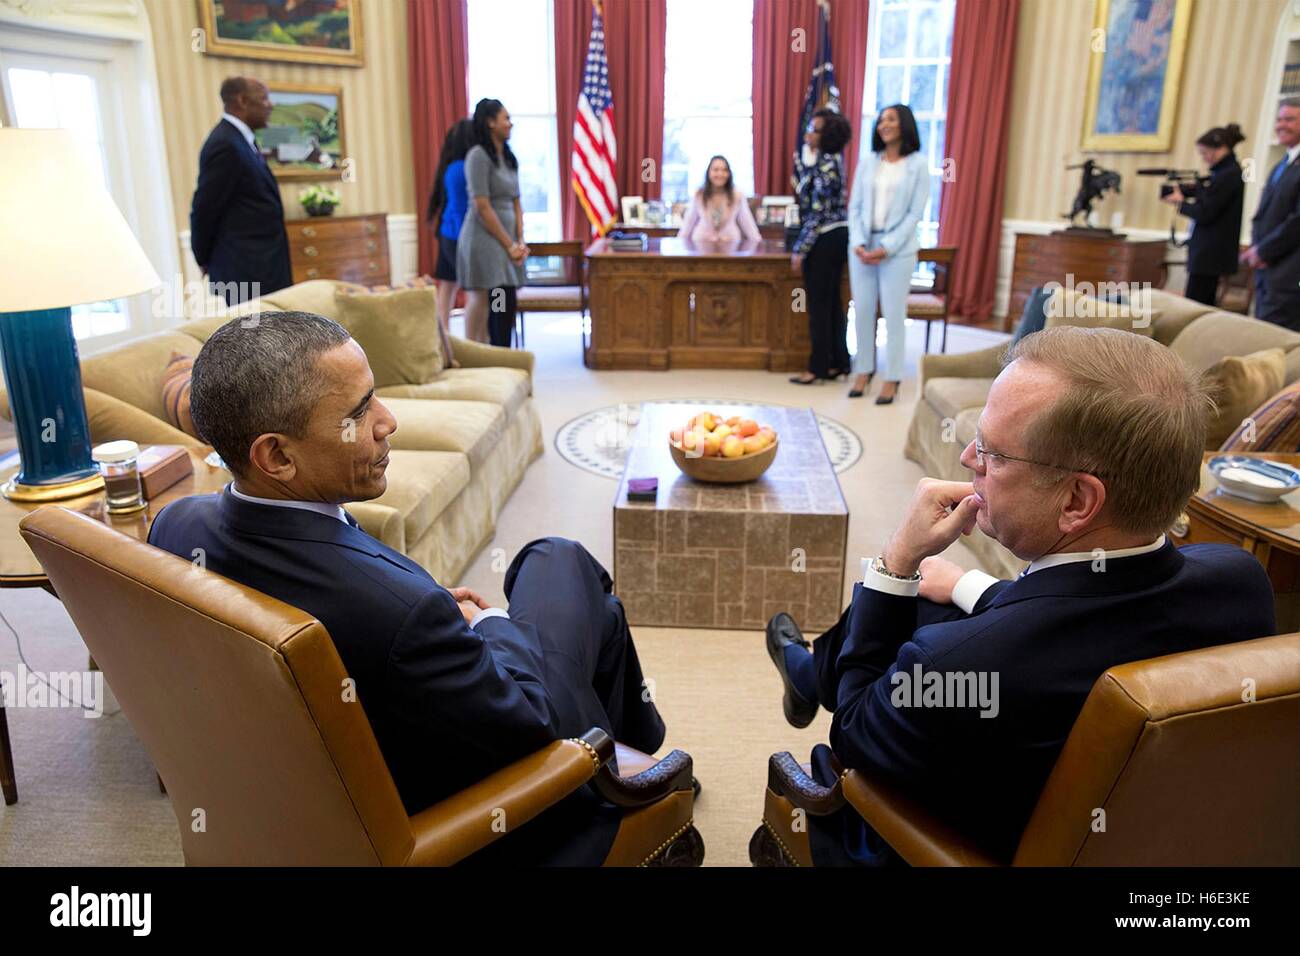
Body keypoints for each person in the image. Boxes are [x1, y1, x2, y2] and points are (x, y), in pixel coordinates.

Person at [147, 311, 667, 866]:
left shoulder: (177, 526)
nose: (388, 421)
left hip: (371, 728)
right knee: (557, 561)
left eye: (376, 397)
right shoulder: (402, 613)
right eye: (358, 412)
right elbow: (534, 722)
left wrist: (435, 624)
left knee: (582, 592)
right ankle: (632, 775)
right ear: (275, 456)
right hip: (476, 808)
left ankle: (635, 746)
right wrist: (483, 628)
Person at [764, 326, 1275, 865]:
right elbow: (1076, 616)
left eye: (992, 451)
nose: (966, 458)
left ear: (1077, 499)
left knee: (901, 606)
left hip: (964, 835)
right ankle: (813, 670)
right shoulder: (1239, 579)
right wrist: (963, 585)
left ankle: (816, 672)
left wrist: (896, 563)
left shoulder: (960, 665)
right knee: (931, 600)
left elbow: (853, 729)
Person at [846, 104, 929, 404]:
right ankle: (863, 370)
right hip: (862, 248)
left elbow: (914, 213)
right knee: (863, 311)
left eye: (891, 119)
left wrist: (887, 247)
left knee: (894, 315)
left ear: (904, 124)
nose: (884, 125)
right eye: (881, 120)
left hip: (898, 251)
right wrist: (858, 242)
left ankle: (892, 376)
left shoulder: (918, 164)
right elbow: (854, 207)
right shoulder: (868, 162)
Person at [190, 77, 292, 306]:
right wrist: (203, 257)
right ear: (242, 101)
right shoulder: (225, 144)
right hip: (244, 271)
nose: (270, 105)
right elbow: (205, 208)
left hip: (263, 267)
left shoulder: (242, 141)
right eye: (264, 98)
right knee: (253, 337)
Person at [789, 109, 853, 386]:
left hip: (825, 239)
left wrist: (801, 250)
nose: (808, 133)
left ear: (826, 136)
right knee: (832, 305)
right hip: (835, 237)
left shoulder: (826, 165)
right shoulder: (827, 162)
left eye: (814, 129)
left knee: (818, 305)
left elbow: (816, 213)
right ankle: (839, 363)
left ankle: (817, 368)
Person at [457, 98, 528, 347]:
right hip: (485, 239)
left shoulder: (508, 158)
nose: (510, 123)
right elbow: (482, 206)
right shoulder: (477, 156)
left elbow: (517, 202)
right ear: (490, 122)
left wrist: (520, 240)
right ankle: (475, 351)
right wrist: (509, 244)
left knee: (504, 298)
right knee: (488, 295)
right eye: (505, 118)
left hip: (507, 241)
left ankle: (500, 349)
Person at [1160, 123, 1246, 306]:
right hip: (1209, 252)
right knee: (1199, 300)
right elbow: (1209, 201)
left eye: (1205, 153)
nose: (1204, 159)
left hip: (1210, 253)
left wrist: (1180, 204)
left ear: (1221, 149)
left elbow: (1206, 212)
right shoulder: (1224, 174)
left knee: (1196, 304)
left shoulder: (1228, 175)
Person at [1245, 98, 1300, 329]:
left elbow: (1297, 220)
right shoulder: (1280, 164)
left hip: (1289, 273)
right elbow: (1264, 214)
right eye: (1279, 119)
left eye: (1290, 119)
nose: (1281, 125)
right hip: (1267, 271)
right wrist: (1257, 248)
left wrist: (1264, 250)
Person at [426, 118, 476, 337]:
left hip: (447, 234)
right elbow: (465, 208)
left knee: (447, 286)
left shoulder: (449, 168)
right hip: (460, 236)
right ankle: (473, 339)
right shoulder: (464, 168)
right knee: (477, 289)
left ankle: (443, 334)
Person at [676, 155, 762, 244]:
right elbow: (688, 223)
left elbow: (748, 224)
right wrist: (678, 244)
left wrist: (759, 243)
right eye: (716, 170)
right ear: (709, 172)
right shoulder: (699, 194)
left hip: (730, 246)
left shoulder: (737, 195)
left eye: (724, 170)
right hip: (701, 245)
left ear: (729, 173)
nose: (720, 174)